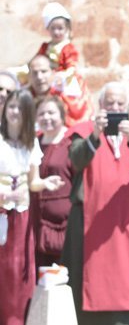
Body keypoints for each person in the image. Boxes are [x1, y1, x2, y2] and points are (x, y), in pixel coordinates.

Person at [63, 82, 129, 325]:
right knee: (85, 275)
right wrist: (95, 134)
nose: (115, 108)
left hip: (125, 218)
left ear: (127, 107)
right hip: (88, 218)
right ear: (100, 106)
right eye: (109, 104)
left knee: (125, 275)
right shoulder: (85, 130)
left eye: (120, 104)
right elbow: (76, 160)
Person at [0, 90, 64, 325]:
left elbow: (33, 181)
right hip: (2, 212)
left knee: (20, 275)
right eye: (11, 106)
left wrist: (46, 183)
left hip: (22, 216)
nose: (15, 112)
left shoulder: (30, 144)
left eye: (20, 107)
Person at [31, 95, 74, 269]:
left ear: (62, 115)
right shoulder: (33, 143)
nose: (46, 117)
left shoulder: (71, 142)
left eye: (51, 113)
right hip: (37, 221)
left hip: (64, 224)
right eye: (41, 114)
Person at [34, 2, 92, 126]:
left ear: (66, 29)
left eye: (60, 28)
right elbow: (37, 61)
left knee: (66, 104)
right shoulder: (45, 47)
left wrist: (63, 76)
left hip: (66, 80)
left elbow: (72, 66)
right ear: (48, 29)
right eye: (53, 28)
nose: (57, 32)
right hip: (49, 79)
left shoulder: (67, 47)